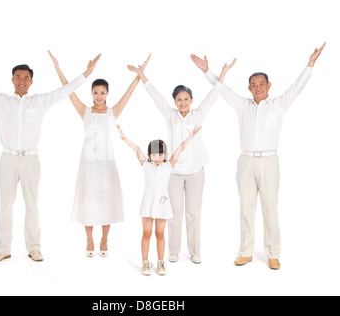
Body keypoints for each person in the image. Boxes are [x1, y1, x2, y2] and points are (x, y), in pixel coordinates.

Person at [0, 44, 100, 263]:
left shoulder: (40, 102)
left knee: (32, 204)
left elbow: (64, 91)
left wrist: (86, 74)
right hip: (7, 158)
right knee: (6, 204)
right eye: (17, 77)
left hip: (31, 160)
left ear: (31, 81)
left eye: (25, 77)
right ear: (12, 80)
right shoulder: (0, 102)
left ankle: (34, 248)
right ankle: (3, 248)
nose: (21, 80)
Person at [191, 42, 326, 270]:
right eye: (253, 85)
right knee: (246, 207)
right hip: (245, 161)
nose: (258, 87)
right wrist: (207, 70)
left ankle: (273, 252)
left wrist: (310, 64)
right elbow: (222, 89)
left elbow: (297, 86)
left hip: (269, 161)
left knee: (270, 207)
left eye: (261, 84)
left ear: (269, 85)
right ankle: (245, 251)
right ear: (249, 88)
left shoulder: (278, 105)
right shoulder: (242, 105)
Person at [127, 55, 232, 264]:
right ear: (175, 102)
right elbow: (155, 96)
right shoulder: (170, 115)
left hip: (195, 173)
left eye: (186, 99)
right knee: (173, 213)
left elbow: (215, 94)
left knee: (194, 212)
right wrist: (142, 75)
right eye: (178, 99)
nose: (182, 102)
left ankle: (195, 251)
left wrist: (222, 73)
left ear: (191, 100)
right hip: (173, 174)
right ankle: (173, 251)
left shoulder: (198, 114)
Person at [49, 52, 150, 257]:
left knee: (106, 200)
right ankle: (89, 239)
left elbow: (129, 93)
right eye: (96, 92)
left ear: (107, 94)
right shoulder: (85, 111)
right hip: (88, 165)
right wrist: (57, 67)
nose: (99, 96)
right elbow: (68, 89)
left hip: (106, 164)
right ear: (91, 93)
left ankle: (104, 238)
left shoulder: (113, 112)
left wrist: (140, 73)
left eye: (102, 93)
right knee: (88, 199)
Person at [116, 124, 201, 275]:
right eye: (154, 155)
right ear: (149, 155)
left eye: (160, 155)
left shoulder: (168, 166)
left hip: (162, 204)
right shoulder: (146, 165)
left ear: (165, 154)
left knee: (160, 233)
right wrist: (124, 138)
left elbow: (180, 149)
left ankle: (161, 262)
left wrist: (190, 137)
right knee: (146, 232)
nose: (157, 158)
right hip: (148, 203)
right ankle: (145, 262)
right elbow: (136, 149)